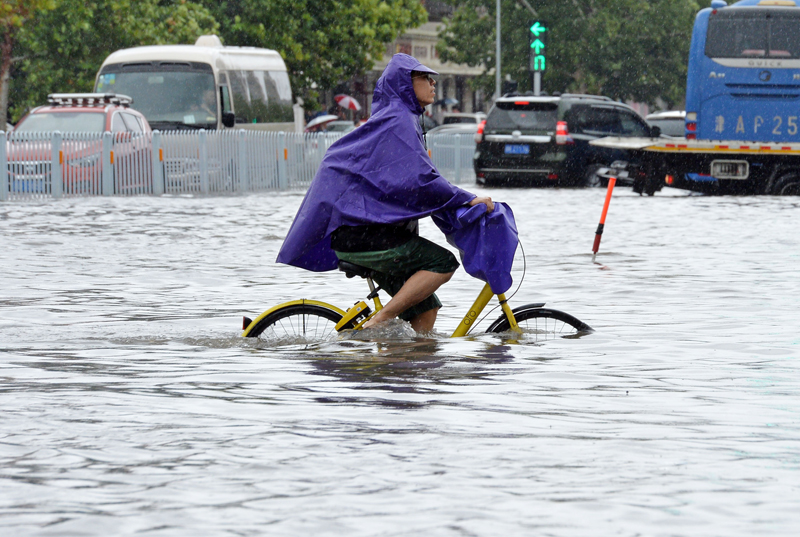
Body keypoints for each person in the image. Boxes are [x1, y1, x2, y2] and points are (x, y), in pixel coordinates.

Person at [276, 54, 494, 332]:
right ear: (405, 84)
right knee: (443, 262)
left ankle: (398, 357)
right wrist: (467, 198)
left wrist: (456, 202)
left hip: (367, 234)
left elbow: (413, 184)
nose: (432, 84)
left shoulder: (401, 118)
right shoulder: (398, 121)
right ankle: (378, 322)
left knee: (425, 310)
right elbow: (420, 180)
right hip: (365, 237)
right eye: (425, 78)